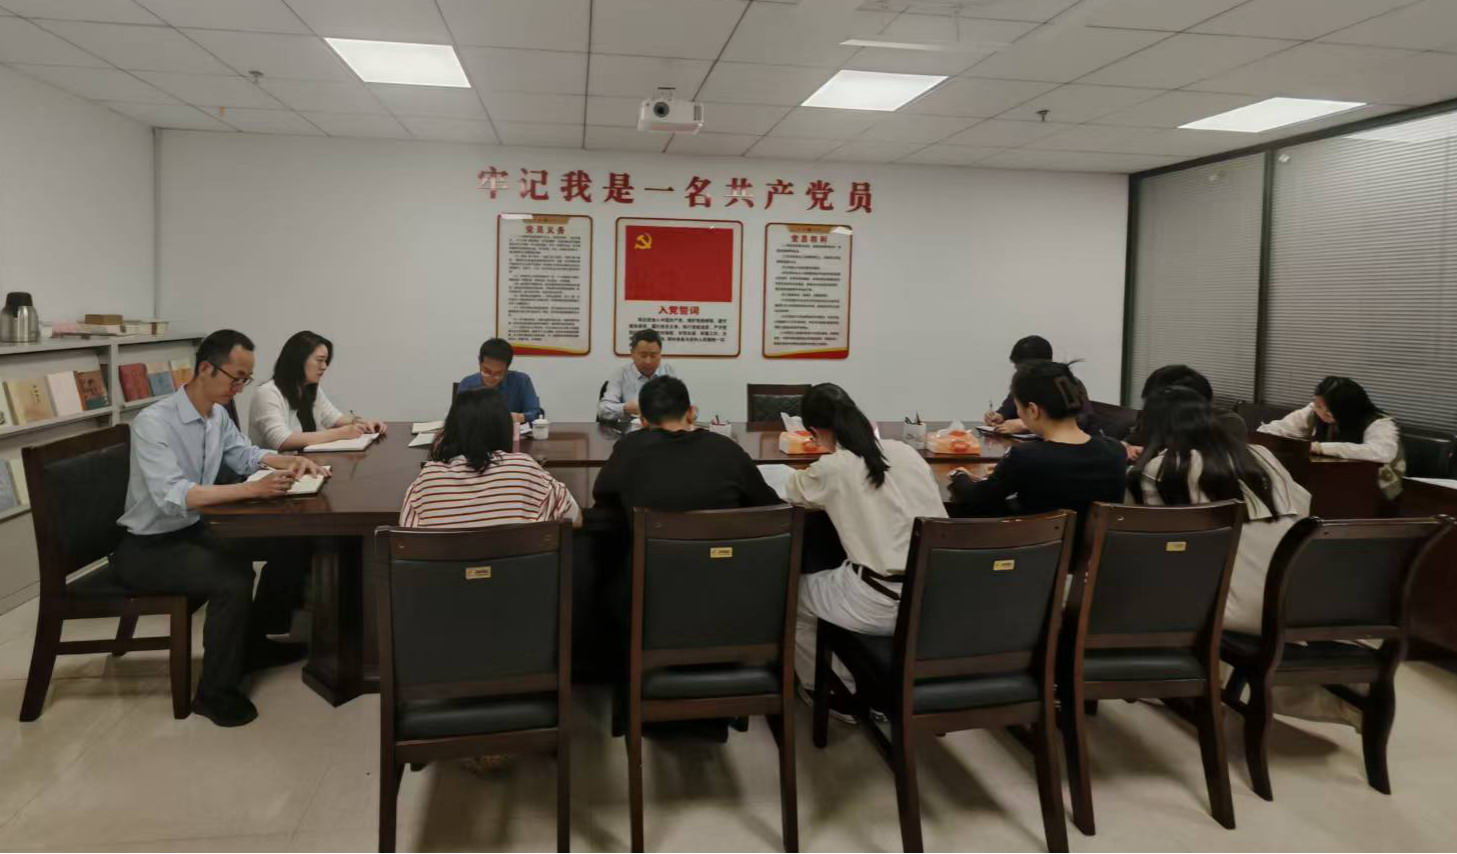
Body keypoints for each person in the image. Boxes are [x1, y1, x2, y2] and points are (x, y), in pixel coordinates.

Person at [112, 330, 330, 728]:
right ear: (205, 369)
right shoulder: (153, 423)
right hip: (148, 547)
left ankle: (252, 643)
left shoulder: (216, 415)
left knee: (290, 543)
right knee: (231, 579)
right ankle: (214, 693)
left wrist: (286, 462)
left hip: (195, 530)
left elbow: (244, 454)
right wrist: (252, 489)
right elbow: (173, 495)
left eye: (246, 379)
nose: (240, 387)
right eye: (236, 377)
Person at [1128, 386, 1354, 727]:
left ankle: (1162, 675)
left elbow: (1152, 550)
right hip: (1302, 597)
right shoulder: (1262, 456)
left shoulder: (1162, 469)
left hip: (1233, 608)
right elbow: (1304, 510)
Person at [785, 383, 947, 721]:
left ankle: (834, 691)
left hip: (879, 604)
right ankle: (875, 682)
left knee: (791, 597)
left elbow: (793, 491)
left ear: (815, 431)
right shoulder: (906, 452)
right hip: (935, 597)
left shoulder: (834, 468)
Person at [592, 375, 780, 526]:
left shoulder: (628, 448)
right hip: (722, 559)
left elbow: (604, 501)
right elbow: (769, 506)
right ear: (691, 413)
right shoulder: (727, 449)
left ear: (642, 421)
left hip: (650, 561)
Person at [951, 360, 1126, 520]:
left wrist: (959, 476)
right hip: (1097, 545)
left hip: (1035, 545)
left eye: (1018, 408)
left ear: (1033, 410)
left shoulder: (1026, 457)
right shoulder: (1115, 451)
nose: (1019, 414)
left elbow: (978, 498)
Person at [400, 388, 579, 528]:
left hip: (447, 566)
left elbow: (407, 534)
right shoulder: (524, 468)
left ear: (452, 428)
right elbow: (574, 518)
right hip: (516, 565)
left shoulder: (429, 477)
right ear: (504, 427)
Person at [1257, 375, 1406, 499]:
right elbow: (1273, 430)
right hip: (1332, 482)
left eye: (1331, 408)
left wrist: (1320, 448)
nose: (1324, 412)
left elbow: (1380, 452)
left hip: (1377, 491)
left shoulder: (1380, 423)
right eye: (1318, 405)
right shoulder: (1313, 411)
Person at [248, 331, 386, 450]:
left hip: (304, 463)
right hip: (274, 469)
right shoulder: (268, 393)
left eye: (326, 361)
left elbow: (334, 418)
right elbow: (281, 440)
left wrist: (363, 423)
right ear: (299, 360)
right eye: (320, 360)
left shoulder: (310, 388)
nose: (324, 366)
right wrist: (340, 433)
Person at [1122, 364, 1248, 459]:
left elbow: (1210, 461)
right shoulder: (1153, 415)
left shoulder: (1227, 423)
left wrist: (1153, 453)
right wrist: (1126, 447)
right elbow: (1134, 439)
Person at [983, 335, 1096, 435]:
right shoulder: (1023, 384)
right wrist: (1000, 416)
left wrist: (1026, 425)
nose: (1019, 373)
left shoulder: (1065, 383)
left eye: (1023, 369)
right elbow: (1009, 407)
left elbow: (1081, 420)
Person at [456, 337, 542, 424]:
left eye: (498, 373)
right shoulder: (468, 384)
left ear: (507, 368)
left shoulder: (521, 381)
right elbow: (458, 417)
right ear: (480, 362)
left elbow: (535, 414)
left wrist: (520, 417)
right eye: (487, 371)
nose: (492, 377)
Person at [598, 328, 677, 422]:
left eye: (653, 355)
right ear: (632, 354)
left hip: (663, 428)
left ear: (660, 354)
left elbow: (687, 408)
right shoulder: (621, 374)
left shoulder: (669, 372)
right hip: (629, 428)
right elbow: (603, 410)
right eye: (643, 355)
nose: (648, 361)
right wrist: (625, 408)